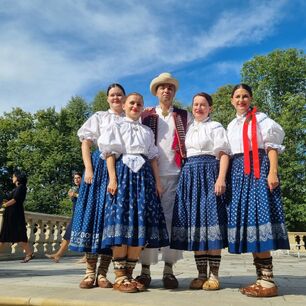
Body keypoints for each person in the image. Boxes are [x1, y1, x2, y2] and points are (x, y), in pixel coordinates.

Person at [98, 93, 169, 293]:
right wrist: (112, 178)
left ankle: (129, 273)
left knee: (140, 224)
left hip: (144, 177)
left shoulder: (147, 131)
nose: (135, 106)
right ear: (125, 105)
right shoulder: (116, 126)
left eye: (139, 103)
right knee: (121, 220)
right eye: (132, 103)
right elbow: (110, 154)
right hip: (123, 175)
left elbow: (153, 158)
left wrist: (157, 182)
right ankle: (120, 276)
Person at [227, 83, 290, 297]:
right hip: (238, 174)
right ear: (232, 100)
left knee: (260, 221)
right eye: (237, 96)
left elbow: (272, 147)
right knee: (251, 225)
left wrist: (272, 172)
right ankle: (262, 279)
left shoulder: (261, 119)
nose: (241, 100)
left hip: (258, 170)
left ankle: (267, 281)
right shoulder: (232, 125)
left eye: (245, 96)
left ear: (251, 98)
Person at [137, 72, 192, 289]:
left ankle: (169, 269)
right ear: (156, 92)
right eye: (162, 87)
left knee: (172, 222)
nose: (166, 90)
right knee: (149, 222)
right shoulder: (147, 115)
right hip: (150, 175)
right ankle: (145, 270)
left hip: (176, 173)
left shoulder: (184, 116)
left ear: (174, 92)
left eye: (170, 87)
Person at [171, 92, 230, 291]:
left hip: (209, 172)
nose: (198, 108)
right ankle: (200, 274)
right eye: (195, 104)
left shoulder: (215, 127)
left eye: (203, 104)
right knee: (196, 224)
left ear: (210, 108)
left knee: (211, 222)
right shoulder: (188, 129)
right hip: (190, 175)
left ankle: (214, 275)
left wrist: (221, 178)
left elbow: (223, 154)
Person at [69, 83, 126, 289]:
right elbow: (86, 143)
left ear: (124, 97)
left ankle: (103, 273)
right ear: (107, 98)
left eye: (119, 95)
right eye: (112, 95)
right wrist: (89, 168)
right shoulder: (100, 117)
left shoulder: (129, 119)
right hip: (99, 168)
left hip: (121, 170)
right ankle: (89, 272)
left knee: (110, 220)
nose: (116, 98)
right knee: (93, 216)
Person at [45, 172, 82, 262]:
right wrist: (71, 196)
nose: (76, 180)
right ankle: (58, 255)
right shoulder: (75, 188)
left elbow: (87, 199)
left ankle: (58, 255)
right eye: (75, 178)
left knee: (82, 235)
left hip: (82, 215)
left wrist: (75, 195)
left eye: (78, 178)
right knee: (68, 235)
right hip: (76, 214)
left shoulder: (85, 188)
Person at [0, 170, 34, 263]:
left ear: (18, 178)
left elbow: (15, 200)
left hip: (15, 215)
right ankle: (29, 254)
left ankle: (29, 254)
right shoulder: (17, 188)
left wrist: (3, 206)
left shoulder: (21, 187)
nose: (12, 178)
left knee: (9, 236)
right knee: (16, 236)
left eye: (13, 176)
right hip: (12, 214)